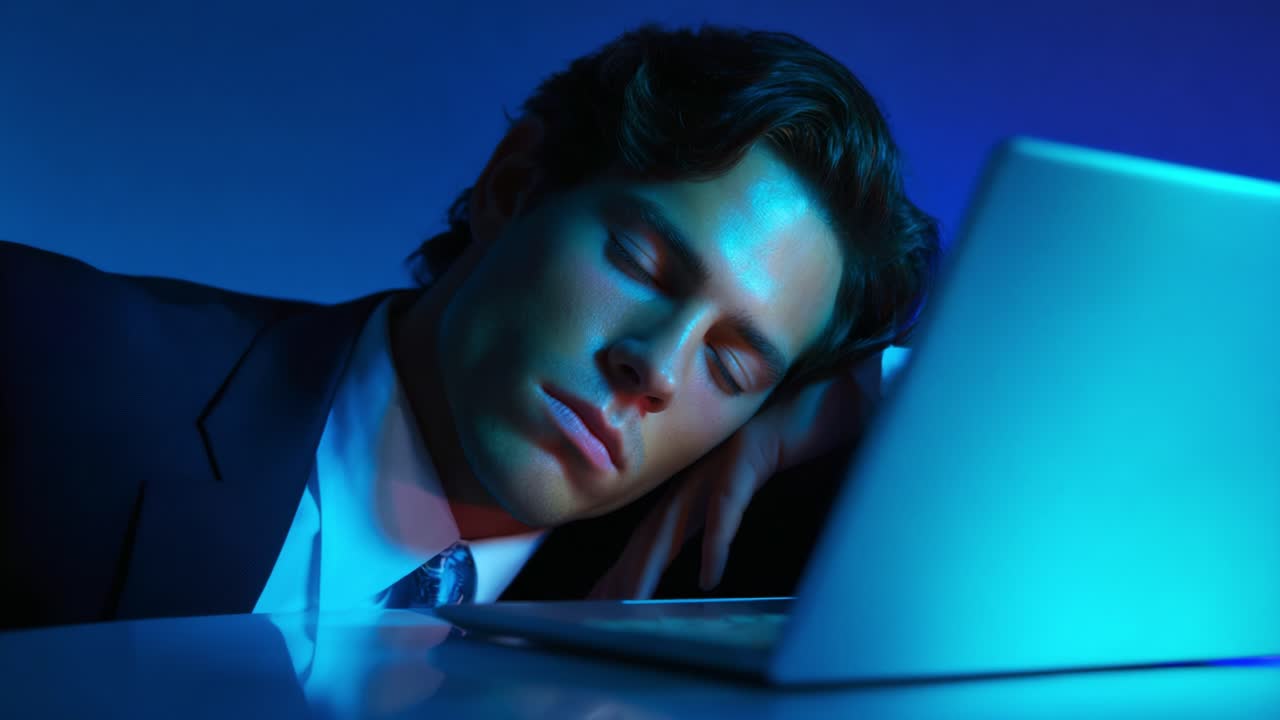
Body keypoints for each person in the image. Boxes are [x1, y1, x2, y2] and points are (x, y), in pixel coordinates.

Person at [0, 23, 939, 629]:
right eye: (642, 263)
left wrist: (878, 386)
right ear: (513, 183)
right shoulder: (47, 353)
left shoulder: (705, 593)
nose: (654, 367)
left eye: (731, 369)